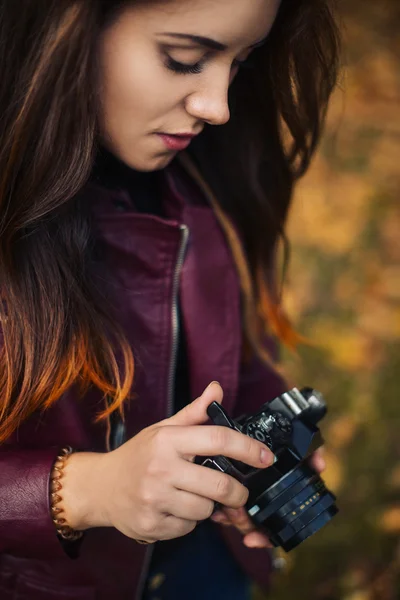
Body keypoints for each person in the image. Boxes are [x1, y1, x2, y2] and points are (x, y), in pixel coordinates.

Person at [0, 1, 340, 598]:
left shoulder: (198, 181)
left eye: (239, 63)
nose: (218, 106)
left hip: (205, 568)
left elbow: (221, 348)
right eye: (184, 59)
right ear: (63, 30)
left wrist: (267, 430)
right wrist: (88, 490)